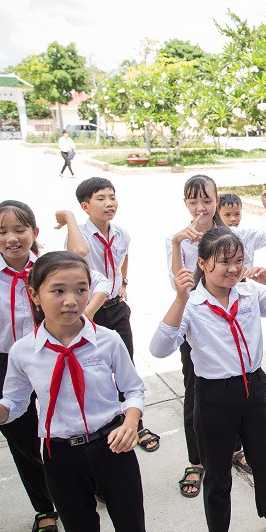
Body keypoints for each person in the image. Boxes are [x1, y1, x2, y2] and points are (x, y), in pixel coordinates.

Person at [0, 251, 153, 532]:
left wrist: (131, 421)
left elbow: (133, 389)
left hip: (113, 449)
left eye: (81, 289)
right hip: (61, 456)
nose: (72, 300)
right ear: (34, 295)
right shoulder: (24, 351)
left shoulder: (106, 341)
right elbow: (14, 402)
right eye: (58, 290)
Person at [150, 228, 266, 532]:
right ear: (203, 263)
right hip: (214, 396)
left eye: (239, 260)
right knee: (218, 473)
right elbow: (159, 348)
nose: (234, 268)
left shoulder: (249, 293)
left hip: (254, 389)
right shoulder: (192, 303)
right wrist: (179, 299)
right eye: (225, 262)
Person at [167, 175, 266, 495]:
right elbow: (177, 284)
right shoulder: (180, 239)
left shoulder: (231, 233)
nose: (201, 207)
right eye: (193, 201)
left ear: (217, 199)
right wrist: (175, 245)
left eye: (207, 200)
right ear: (185, 203)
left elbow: (242, 273)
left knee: (240, 386)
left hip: (234, 320)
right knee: (195, 391)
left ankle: (236, 449)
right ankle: (197, 460)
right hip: (200, 324)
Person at [0, 201, 60, 532]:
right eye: (2, 231)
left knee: (66, 430)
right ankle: (44, 507)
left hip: (52, 358)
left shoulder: (51, 268)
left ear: (35, 233)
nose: (12, 238)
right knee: (22, 441)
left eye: (20, 229)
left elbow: (93, 283)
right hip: (5, 364)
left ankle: (84, 486)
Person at [60, 177, 160, 453]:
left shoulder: (121, 233)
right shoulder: (77, 236)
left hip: (115, 307)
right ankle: (106, 425)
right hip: (88, 313)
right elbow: (77, 255)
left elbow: (123, 256)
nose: (109, 203)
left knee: (125, 365)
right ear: (85, 205)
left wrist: (124, 282)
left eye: (112, 197)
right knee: (94, 371)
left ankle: (135, 424)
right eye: (101, 198)